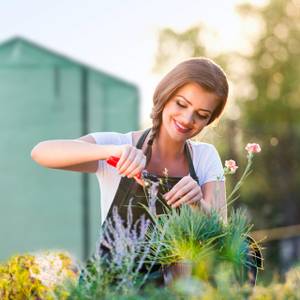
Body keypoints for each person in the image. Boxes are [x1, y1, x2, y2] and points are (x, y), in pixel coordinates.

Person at [31, 57, 229, 284]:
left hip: (175, 291)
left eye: (202, 115)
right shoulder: (117, 143)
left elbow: (221, 236)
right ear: (166, 95)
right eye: (181, 104)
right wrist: (111, 152)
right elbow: (41, 152)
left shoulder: (205, 157)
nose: (187, 119)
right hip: (109, 289)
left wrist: (198, 204)